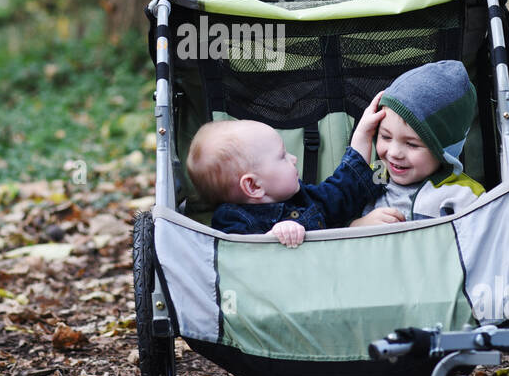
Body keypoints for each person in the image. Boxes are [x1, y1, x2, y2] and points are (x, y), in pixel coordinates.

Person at [186, 96, 386, 246]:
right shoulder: (232, 221)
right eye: (282, 156)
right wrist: (272, 240)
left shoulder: (304, 197)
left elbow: (343, 189)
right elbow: (239, 264)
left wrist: (363, 134)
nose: (294, 158)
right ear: (253, 185)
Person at [350, 60, 485, 226]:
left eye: (412, 144)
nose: (393, 152)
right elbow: (329, 217)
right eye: (385, 137)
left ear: (444, 150)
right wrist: (357, 226)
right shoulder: (371, 178)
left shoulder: (464, 197)